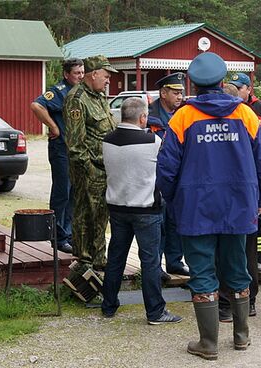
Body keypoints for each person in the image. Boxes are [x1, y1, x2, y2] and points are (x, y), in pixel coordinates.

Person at [157, 52, 261, 360]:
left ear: (193, 84)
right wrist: (260, 198)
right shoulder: (245, 115)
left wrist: (174, 200)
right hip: (238, 207)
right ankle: (241, 337)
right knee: (237, 269)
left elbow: (166, 169)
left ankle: (208, 343)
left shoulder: (183, 117)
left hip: (196, 209)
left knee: (203, 272)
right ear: (222, 82)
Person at [101, 97, 182, 324]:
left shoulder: (107, 140)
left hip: (117, 207)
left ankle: (108, 305)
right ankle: (155, 311)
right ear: (143, 117)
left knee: (116, 257)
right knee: (150, 262)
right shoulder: (152, 141)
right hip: (146, 208)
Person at [62, 55, 118, 302]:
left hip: (104, 168)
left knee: (100, 217)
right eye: (106, 76)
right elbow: (75, 145)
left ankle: (99, 263)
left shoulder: (98, 97)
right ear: (93, 74)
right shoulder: (77, 99)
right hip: (90, 169)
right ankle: (85, 265)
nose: (108, 81)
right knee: (86, 217)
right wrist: (91, 169)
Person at [30, 58, 84, 254]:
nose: (80, 76)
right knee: (62, 193)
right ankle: (58, 237)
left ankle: (68, 235)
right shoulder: (59, 91)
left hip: (76, 150)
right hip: (61, 149)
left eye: (82, 72)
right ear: (66, 74)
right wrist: (53, 126)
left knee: (74, 194)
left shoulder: (80, 92)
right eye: (77, 73)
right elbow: (36, 105)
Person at [229, 72, 261, 268]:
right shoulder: (230, 110)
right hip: (239, 174)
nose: (235, 91)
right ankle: (241, 260)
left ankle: (259, 259)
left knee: (257, 216)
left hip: (258, 174)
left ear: (248, 89)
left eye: (239, 88)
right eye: (232, 87)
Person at [147, 72, 190, 280]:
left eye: (181, 92)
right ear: (163, 93)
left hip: (180, 177)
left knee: (175, 222)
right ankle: (156, 266)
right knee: (159, 224)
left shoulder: (184, 114)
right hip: (157, 177)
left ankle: (175, 262)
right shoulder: (149, 115)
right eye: (175, 92)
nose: (180, 96)